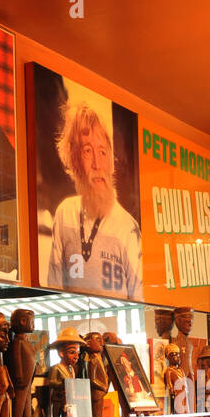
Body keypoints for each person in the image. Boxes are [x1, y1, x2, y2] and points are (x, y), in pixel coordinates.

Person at [46, 103, 141, 299]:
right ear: (73, 159)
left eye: (103, 152)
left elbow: (139, 299)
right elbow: (53, 288)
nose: (97, 164)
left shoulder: (127, 227)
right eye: (87, 151)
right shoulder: (65, 214)